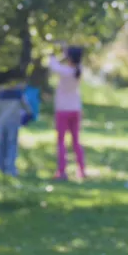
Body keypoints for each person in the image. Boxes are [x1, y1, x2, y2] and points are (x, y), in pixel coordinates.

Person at [49, 43, 86, 180]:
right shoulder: (78, 70)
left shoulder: (65, 71)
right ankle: (81, 169)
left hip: (63, 109)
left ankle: (62, 170)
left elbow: (53, 64)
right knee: (76, 141)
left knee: (61, 141)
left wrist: (55, 53)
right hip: (75, 108)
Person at [0, 83, 33, 177]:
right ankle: (10, 169)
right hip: (13, 123)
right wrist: (24, 120)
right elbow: (28, 110)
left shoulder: (0, 94)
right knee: (11, 145)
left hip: (1, 123)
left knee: (1, 145)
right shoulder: (18, 94)